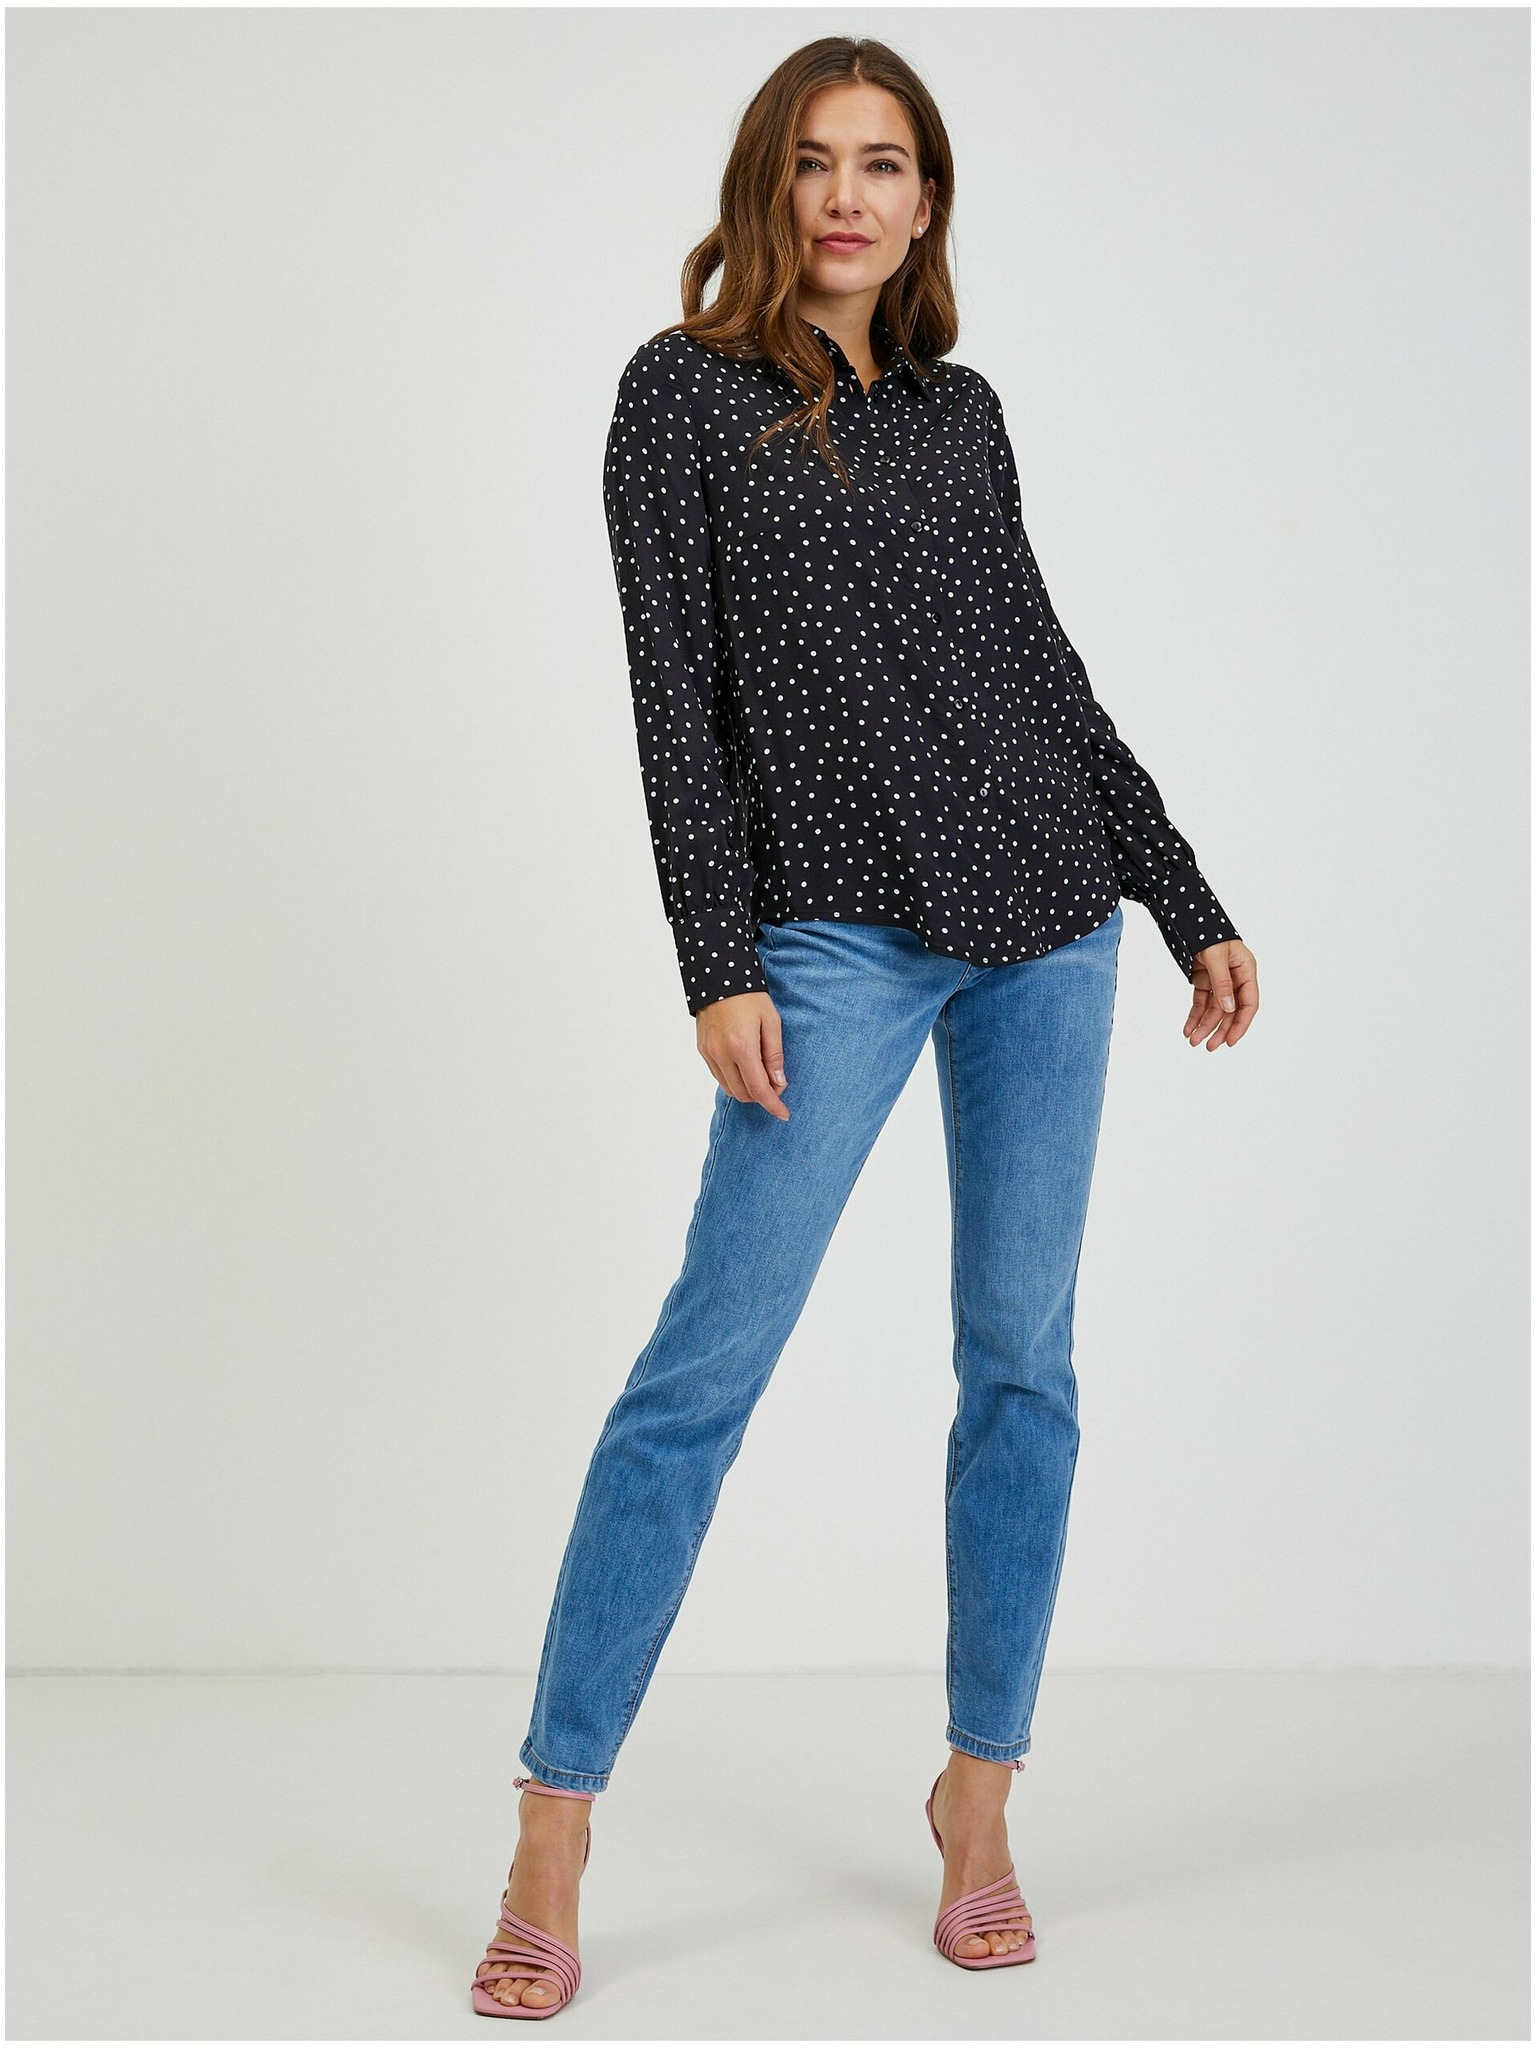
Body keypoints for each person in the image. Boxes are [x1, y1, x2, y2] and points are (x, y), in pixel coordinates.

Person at [472, 33, 1260, 2020]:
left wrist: (1181, 896)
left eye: (884, 163)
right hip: (828, 940)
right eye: (817, 160)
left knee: (1022, 1366)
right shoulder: (682, 396)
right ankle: (555, 1815)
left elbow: (1042, 670)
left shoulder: (960, 415)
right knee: (700, 1375)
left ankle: (978, 1801)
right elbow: (674, 697)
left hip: (1046, 930)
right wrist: (715, 959)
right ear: (771, 183)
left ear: (925, 202)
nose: (847, 196)